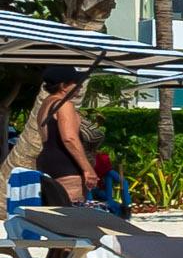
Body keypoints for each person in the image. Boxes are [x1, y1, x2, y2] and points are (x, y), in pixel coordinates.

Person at [36, 78, 125, 210]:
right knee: (72, 213)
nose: (81, 85)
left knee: (55, 212)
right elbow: (69, 138)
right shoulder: (64, 104)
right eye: (76, 82)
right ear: (63, 85)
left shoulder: (46, 104)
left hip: (47, 162)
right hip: (66, 165)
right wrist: (88, 169)